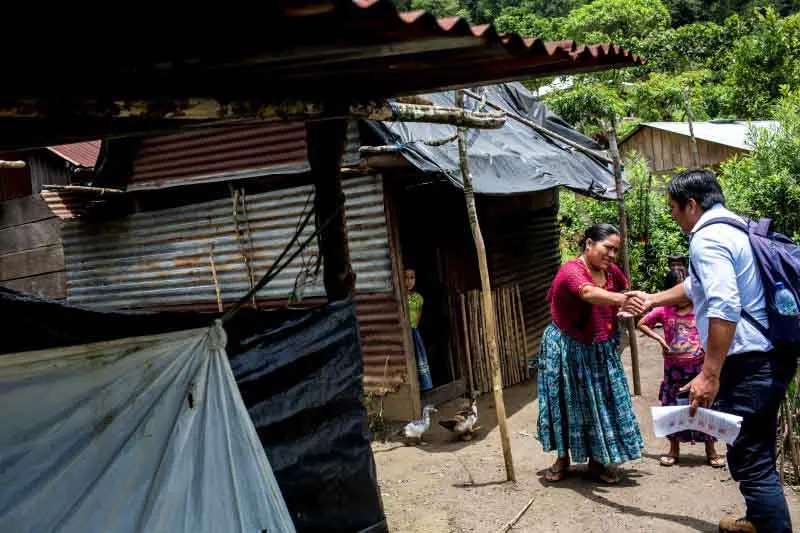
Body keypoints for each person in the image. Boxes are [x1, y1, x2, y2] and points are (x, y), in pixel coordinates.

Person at [624, 169, 797, 533]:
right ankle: (757, 520)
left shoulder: (707, 239)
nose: (672, 215)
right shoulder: (736, 228)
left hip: (748, 363)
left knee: (750, 458)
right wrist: (652, 298)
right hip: (772, 354)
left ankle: (771, 527)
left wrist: (709, 373)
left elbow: (724, 306)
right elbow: (696, 285)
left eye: (673, 207)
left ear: (691, 204)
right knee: (756, 444)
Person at [538, 223, 644, 484]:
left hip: (601, 348)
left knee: (603, 403)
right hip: (568, 348)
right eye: (607, 247)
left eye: (615, 250)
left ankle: (598, 462)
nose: (611, 255)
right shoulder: (570, 271)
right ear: (588, 244)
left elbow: (621, 287)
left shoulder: (611, 272)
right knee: (566, 404)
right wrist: (621, 300)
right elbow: (587, 292)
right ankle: (562, 459)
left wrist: (620, 304)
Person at [637, 268, 725, 469]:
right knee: (673, 409)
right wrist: (660, 340)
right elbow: (642, 323)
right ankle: (673, 449)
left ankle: (710, 449)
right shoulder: (663, 311)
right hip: (673, 370)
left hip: (699, 369)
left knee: (704, 407)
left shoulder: (701, 309)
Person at [405, 267, 433, 391]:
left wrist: (413, 328)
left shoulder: (418, 298)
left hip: (414, 331)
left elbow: (418, 317)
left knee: (419, 357)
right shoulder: (401, 297)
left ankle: (424, 385)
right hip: (405, 332)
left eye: (412, 278)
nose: (409, 281)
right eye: (406, 278)